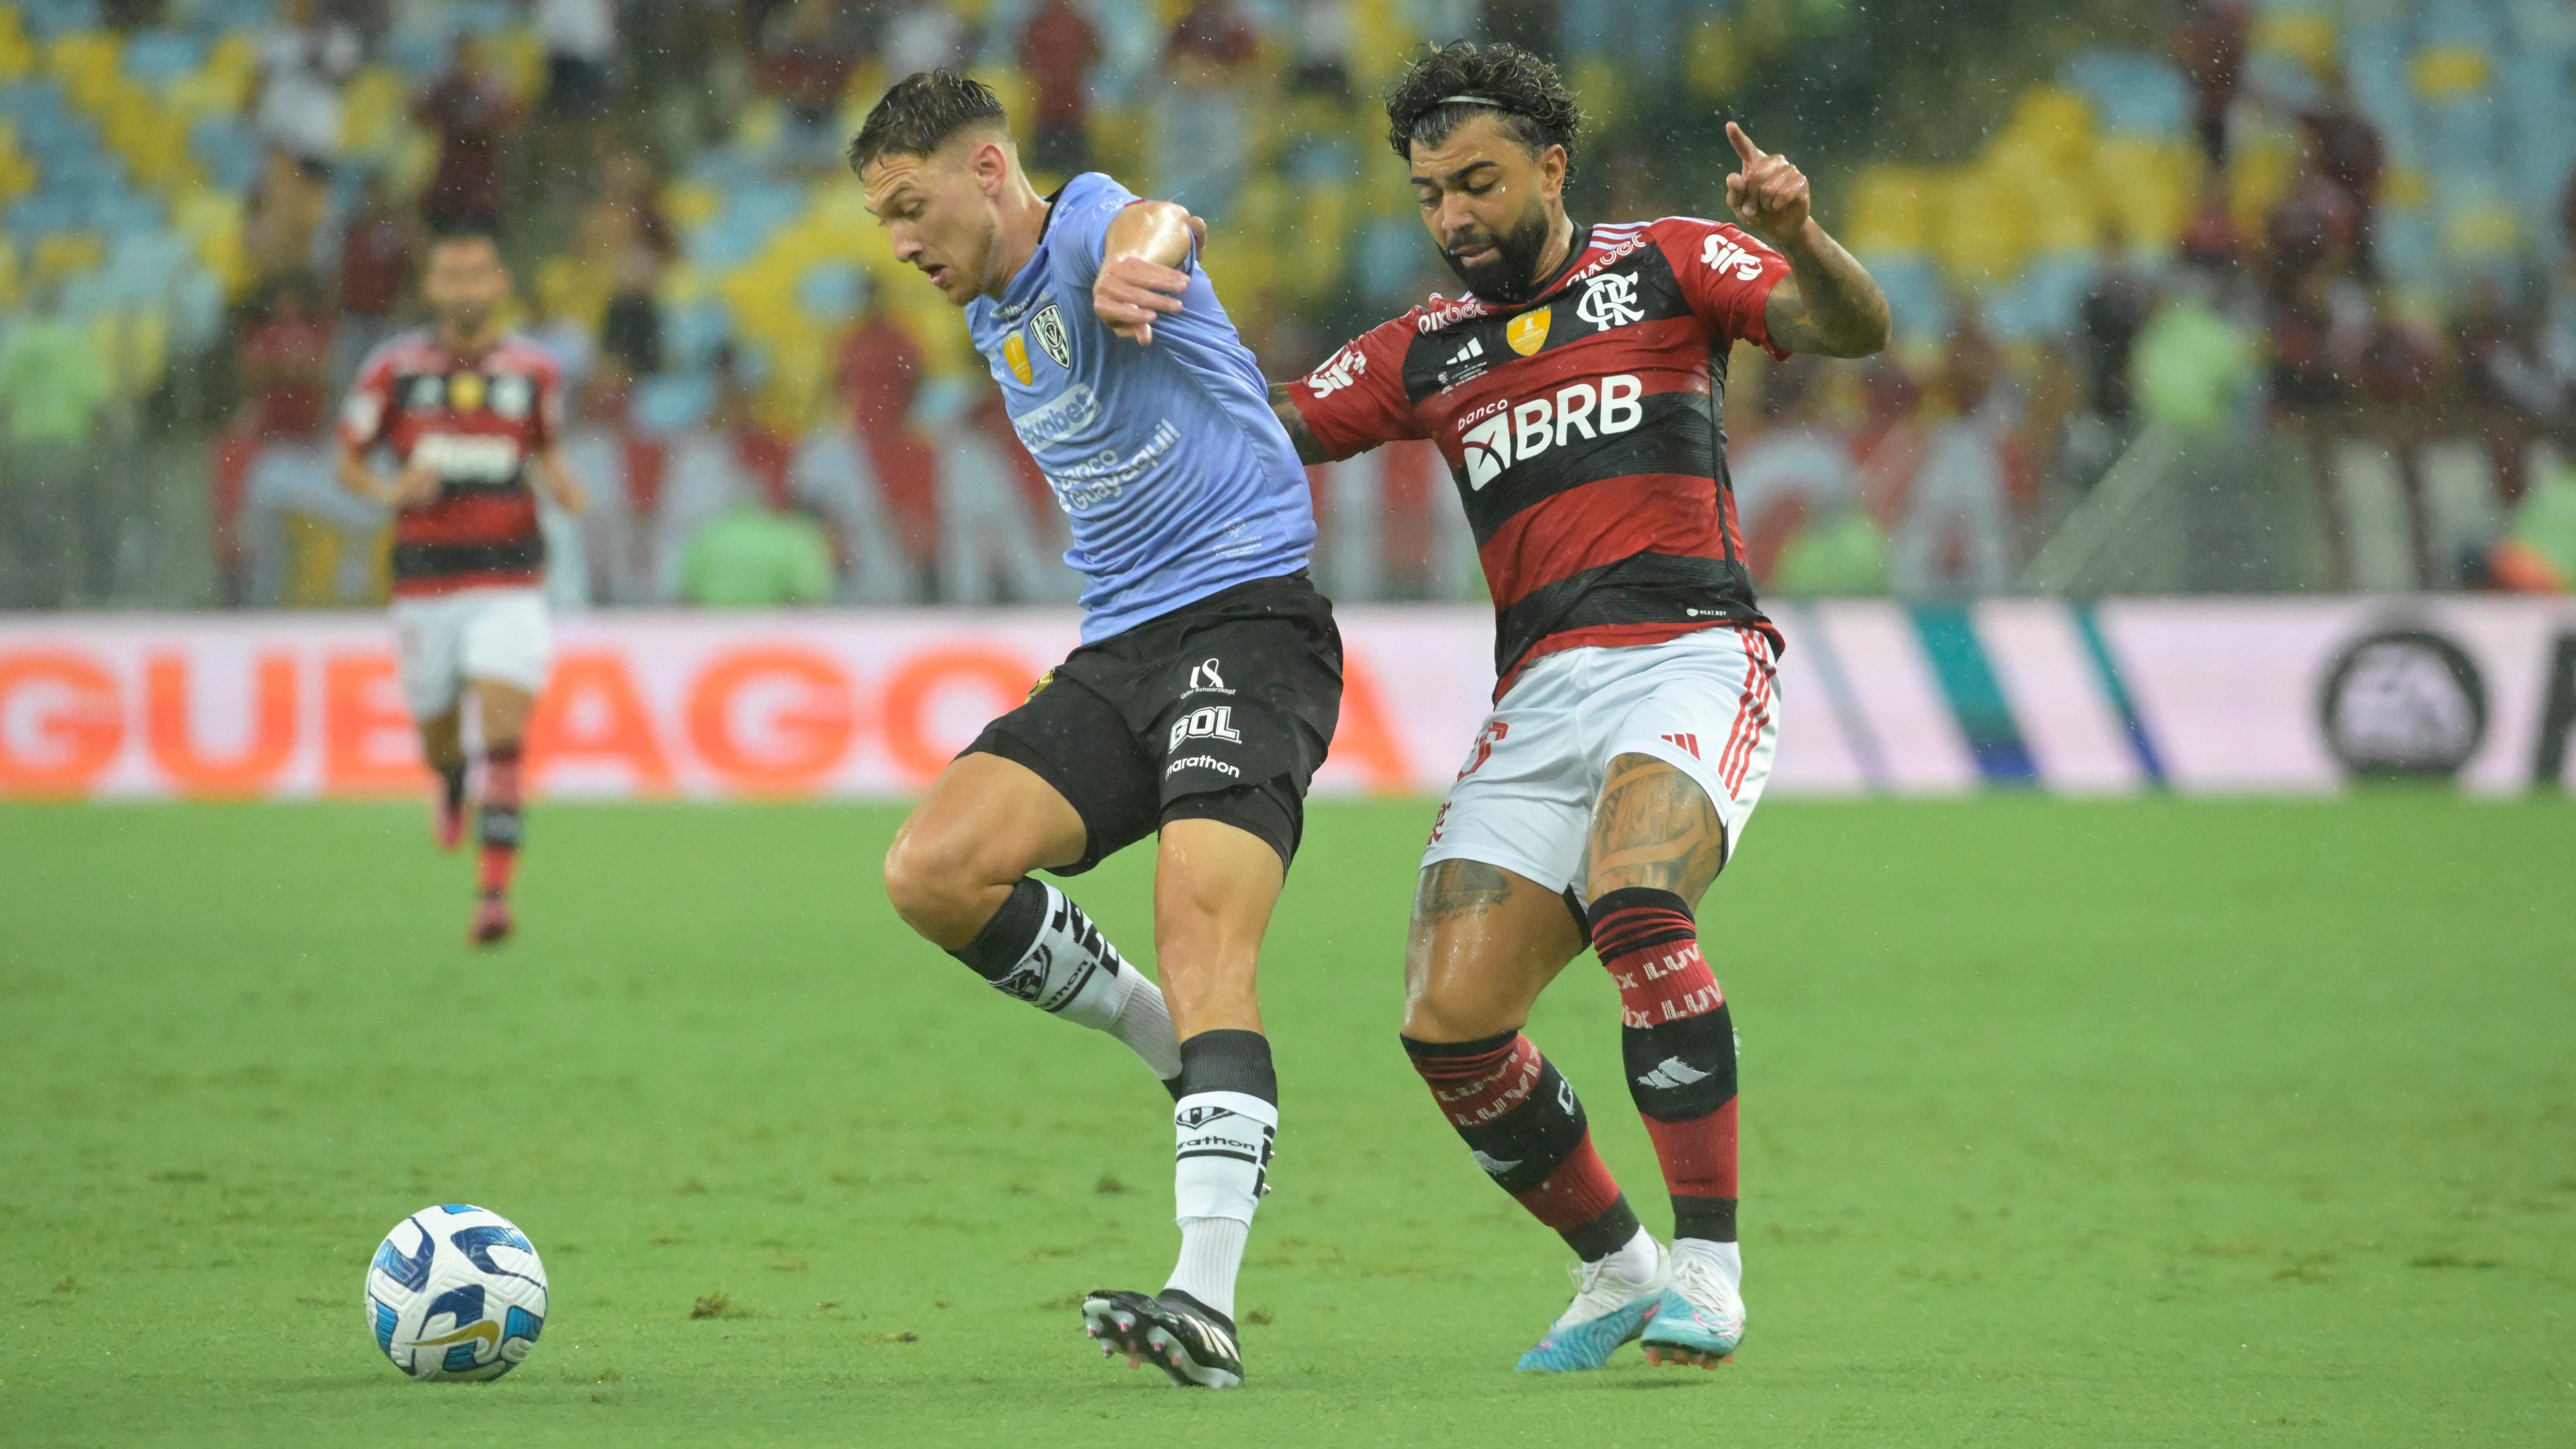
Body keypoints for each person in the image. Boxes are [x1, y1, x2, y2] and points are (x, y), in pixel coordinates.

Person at [1267, 42, 1888, 1372]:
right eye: (1430, 195)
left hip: (1687, 655)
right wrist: (1127, 342)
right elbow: (1267, 429)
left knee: (1635, 897)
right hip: (1535, 698)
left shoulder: (1668, 263)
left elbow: (1849, 327)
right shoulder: (1421, 350)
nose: (1453, 218)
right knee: (1447, 1026)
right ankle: (1617, 1271)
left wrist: (1799, 235)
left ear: (1552, 164)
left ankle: (1710, 1276)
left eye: (1477, 183)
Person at [850, 71, 1340, 1389]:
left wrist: (1140, 265)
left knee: (1203, 937)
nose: (901, 243)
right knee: (933, 872)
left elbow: (1156, 217)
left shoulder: (1081, 228)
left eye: (912, 206)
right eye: (883, 222)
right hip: (1120, 648)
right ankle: (1161, 1047)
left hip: (1247, 625)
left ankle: (1205, 1299)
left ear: (990, 169)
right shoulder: (991, 312)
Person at [335, 231, 588, 946]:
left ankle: (493, 897)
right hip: (425, 582)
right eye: (452, 276)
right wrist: (391, 490)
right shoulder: (393, 370)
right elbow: (347, 460)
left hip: (511, 579)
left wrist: (561, 483)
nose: (466, 288)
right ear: (432, 288)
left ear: (500, 282)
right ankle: (448, 782)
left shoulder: (536, 371)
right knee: (439, 732)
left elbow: (543, 448)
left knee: (505, 737)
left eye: (478, 273)